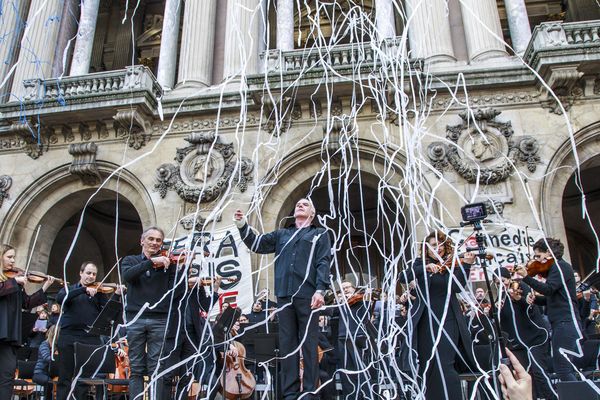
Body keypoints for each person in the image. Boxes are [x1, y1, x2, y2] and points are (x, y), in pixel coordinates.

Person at [234, 198, 331, 400]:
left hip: (308, 294)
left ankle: (310, 391)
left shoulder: (319, 234)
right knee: (287, 343)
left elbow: (323, 261)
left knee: (309, 343)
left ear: (312, 213)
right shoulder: (282, 234)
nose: (300, 205)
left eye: (305, 204)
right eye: (298, 204)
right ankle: (289, 392)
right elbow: (257, 243)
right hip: (285, 295)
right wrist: (242, 225)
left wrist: (321, 289)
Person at [400, 231, 476, 400]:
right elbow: (402, 277)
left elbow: (457, 287)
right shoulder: (419, 263)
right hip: (425, 321)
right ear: (426, 249)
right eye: (433, 245)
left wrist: (467, 265)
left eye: (441, 245)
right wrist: (424, 268)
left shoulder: (451, 264)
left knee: (444, 361)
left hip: (447, 318)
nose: (438, 248)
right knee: (429, 362)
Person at [121, 226, 184, 400]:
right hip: (136, 318)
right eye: (151, 239)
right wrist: (151, 262)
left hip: (160, 319)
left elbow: (177, 291)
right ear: (142, 241)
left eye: (158, 240)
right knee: (136, 367)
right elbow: (127, 276)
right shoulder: (130, 260)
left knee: (157, 367)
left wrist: (180, 269)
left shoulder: (168, 265)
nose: (155, 243)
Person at [514, 238, 581, 382]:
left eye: (538, 256)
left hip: (566, 322)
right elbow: (552, 298)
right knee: (562, 368)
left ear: (548, 253)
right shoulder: (556, 268)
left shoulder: (560, 267)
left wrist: (526, 277)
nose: (536, 260)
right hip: (560, 323)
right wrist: (535, 299)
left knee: (563, 369)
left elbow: (549, 289)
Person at [55, 261, 123, 400]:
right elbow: (60, 298)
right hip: (69, 335)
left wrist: (116, 295)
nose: (91, 276)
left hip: (89, 337)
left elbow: (108, 311)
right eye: (88, 273)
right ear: (81, 273)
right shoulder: (70, 289)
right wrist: (83, 290)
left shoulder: (99, 293)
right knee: (65, 376)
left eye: (94, 274)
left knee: (84, 378)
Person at [0, 244, 55, 398]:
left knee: (8, 374)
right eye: (9, 257)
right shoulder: (12, 282)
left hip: (9, 334)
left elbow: (27, 303)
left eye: (13, 257)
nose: (13, 261)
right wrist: (14, 282)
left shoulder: (14, 281)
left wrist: (44, 287)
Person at [496, 267, 554, 399]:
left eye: (503, 281)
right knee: (523, 376)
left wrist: (518, 299)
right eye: (497, 283)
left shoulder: (521, 286)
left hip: (535, 339)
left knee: (539, 373)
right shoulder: (500, 298)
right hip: (517, 345)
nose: (501, 285)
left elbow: (531, 307)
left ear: (509, 279)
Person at [173, 274, 220, 400]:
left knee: (186, 374)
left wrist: (215, 289)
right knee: (169, 374)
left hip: (191, 334)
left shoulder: (196, 289)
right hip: (174, 333)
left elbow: (205, 306)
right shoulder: (174, 282)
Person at [335, 281, 374, 399]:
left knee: (361, 368)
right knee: (346, 370)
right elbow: (332, 313)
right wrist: (340, 302)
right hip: (342, 336)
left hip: (358, 336)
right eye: (342, 288)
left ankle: (366, 395)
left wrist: (367, 300)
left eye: (347, 287)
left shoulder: (360, 300)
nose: (345, 290)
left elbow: (366, 316)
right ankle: (350, 396)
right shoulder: (340, 303)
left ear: (353, 288)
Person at [33, 324, 59, 399]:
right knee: (49, 382)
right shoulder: (44, 344)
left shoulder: (57, 346)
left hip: (52, 373)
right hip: (40, 373)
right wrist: (56, 356)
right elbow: (46, 357)